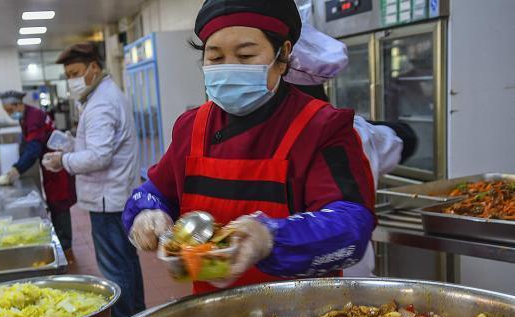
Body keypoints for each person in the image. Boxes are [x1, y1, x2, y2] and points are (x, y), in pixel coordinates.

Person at [123, 0, 376, 295]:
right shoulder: (193, 127)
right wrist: (147, 210)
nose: (229, 68)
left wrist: (271, 238)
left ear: (283, 55)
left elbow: (351, 221)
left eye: (245, 55)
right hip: (211, 315)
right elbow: (156, 189)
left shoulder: (320, 126)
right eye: (215, 58)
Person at [284, 13, 417, 276]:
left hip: (335, 295)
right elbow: (407, 138)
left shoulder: (339, 130)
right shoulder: (358, 130)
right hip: (357, 289)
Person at [44, 42, 144, 317]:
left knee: (115, 267)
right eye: (67, 76)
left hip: (107, 199)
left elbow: (99, 157)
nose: (71, 81)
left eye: (75, 73)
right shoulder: (102, 95)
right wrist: (72, 147)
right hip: (114, 194)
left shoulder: (101, 103)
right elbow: (98, 147)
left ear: (94, 68)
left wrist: (62, 162)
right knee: (126, 261)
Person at [0, 90, 76, 255]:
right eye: (7, 112)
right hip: (48, 163)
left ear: (19, 104)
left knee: (59, 201)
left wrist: (16, 170)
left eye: (11, 110)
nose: (10, 114)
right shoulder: (26, 116)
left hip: (56, 164)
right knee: (53, 202)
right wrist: (17, 164)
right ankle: (60, 239)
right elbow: (27, 143)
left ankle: (65, 244)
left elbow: (33, 147)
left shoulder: (34, 116)